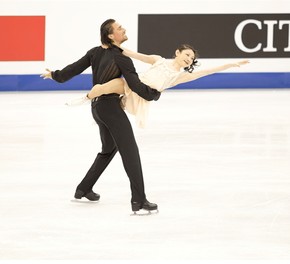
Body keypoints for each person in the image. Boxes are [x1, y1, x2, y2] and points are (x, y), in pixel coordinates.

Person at [41, 19, 161, 214]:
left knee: (109, 149)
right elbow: (136, 85)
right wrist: (154, 94)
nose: (124, 29)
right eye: (119, 28)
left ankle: (84, 188)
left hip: (97, 108)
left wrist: (55, 75)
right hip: (110, 108)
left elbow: (70, 71)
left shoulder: (94, 52)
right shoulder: (121, 57)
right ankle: (139, 200)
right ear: (111, 35)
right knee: (130, 152)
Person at [66, 44, 249, 128]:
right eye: (186, 54)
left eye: (191, 58)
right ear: (177, 52)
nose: (189, 59)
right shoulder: (158, 60)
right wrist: (115, 47)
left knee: (114, 113)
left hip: (142, 97)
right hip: (133, 84)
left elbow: (206, 72)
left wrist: (229, 65)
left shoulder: (180, 76)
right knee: (102, 87)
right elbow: (136, 55)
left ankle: (102, 118)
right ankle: (85, 99)